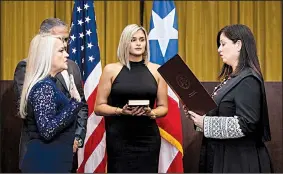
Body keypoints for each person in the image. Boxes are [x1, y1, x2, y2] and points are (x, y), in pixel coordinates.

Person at [184, 24, 273, 172]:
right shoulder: (231, 79)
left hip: (240, 161)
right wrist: (198, 116)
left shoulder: (248, 79)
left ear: (238, 45)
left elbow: (246, 124)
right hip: (222, 156)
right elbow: (221, 114)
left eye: (223, 44)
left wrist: (205, 123)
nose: (219, 50)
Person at [13, 18, 88, 172]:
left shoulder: (52, 80)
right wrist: (74, 103)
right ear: (46, 53)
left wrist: (77, 137)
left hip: (58, 156)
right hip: (45, 159)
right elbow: (46, 129)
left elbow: (81, 107)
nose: (67, 52)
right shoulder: (43, 86)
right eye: (61, 49)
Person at [94, 24, 168, 172]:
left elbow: (163, 107)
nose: (139, 43)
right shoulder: (110, 70)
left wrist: (151, 113)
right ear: (125, 42)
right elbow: (98, 107)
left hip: (148, 138)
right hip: (119, 137)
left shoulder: (157, 70)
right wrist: (120, 111)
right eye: (133, 40)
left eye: (142, 39)